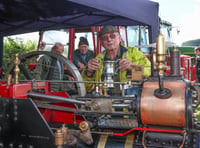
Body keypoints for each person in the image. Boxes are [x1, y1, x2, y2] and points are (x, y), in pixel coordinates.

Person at [82, 25, 151, 94]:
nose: (109, 40)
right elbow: (86, 88)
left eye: (112, 36)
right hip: (104, 100)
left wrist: (132, 68)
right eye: (105, 38)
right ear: (101, 42)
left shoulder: (133, 53)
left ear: (119, 38)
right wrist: (89, 72)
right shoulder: (98, 60)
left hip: (129, 100)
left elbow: (150, 73)